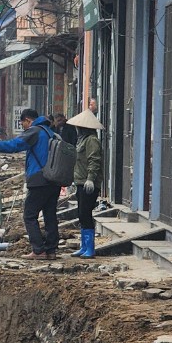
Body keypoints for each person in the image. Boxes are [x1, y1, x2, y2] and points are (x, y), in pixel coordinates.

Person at [0, 108, 59, 259]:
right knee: (50, 215)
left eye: (23, 124)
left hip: (39, 179)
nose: (24, 128)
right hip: (54, 180)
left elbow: (15, 145)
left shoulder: (34, 131)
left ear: (28, 120)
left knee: (29, 215)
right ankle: (51, 250)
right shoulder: (51, 132)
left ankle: (38, 250)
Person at [67, 109, 104, 258]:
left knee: (85, 213)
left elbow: (94, 160)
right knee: (81, 214)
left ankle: (90, 248)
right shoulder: (81, 139)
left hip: (90, 183)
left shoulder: (92, 141)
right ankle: (84, 246)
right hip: (81, 182)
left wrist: (90, 178)